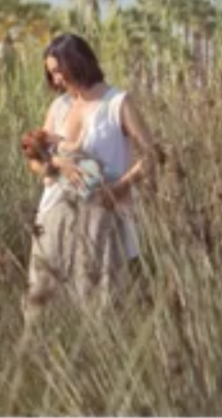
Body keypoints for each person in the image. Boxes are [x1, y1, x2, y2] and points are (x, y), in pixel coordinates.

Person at [22, 33, 156, 322]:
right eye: (51, 73)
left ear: (77, 62)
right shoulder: (59, 107)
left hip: (100, 214)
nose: (56, 80)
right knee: (43, 306)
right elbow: (35, 160)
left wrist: (120, 187)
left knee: (98, 305)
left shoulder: (117, 103)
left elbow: (152, 156)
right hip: (53, 215)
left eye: (58, 71)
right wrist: (56, 166)